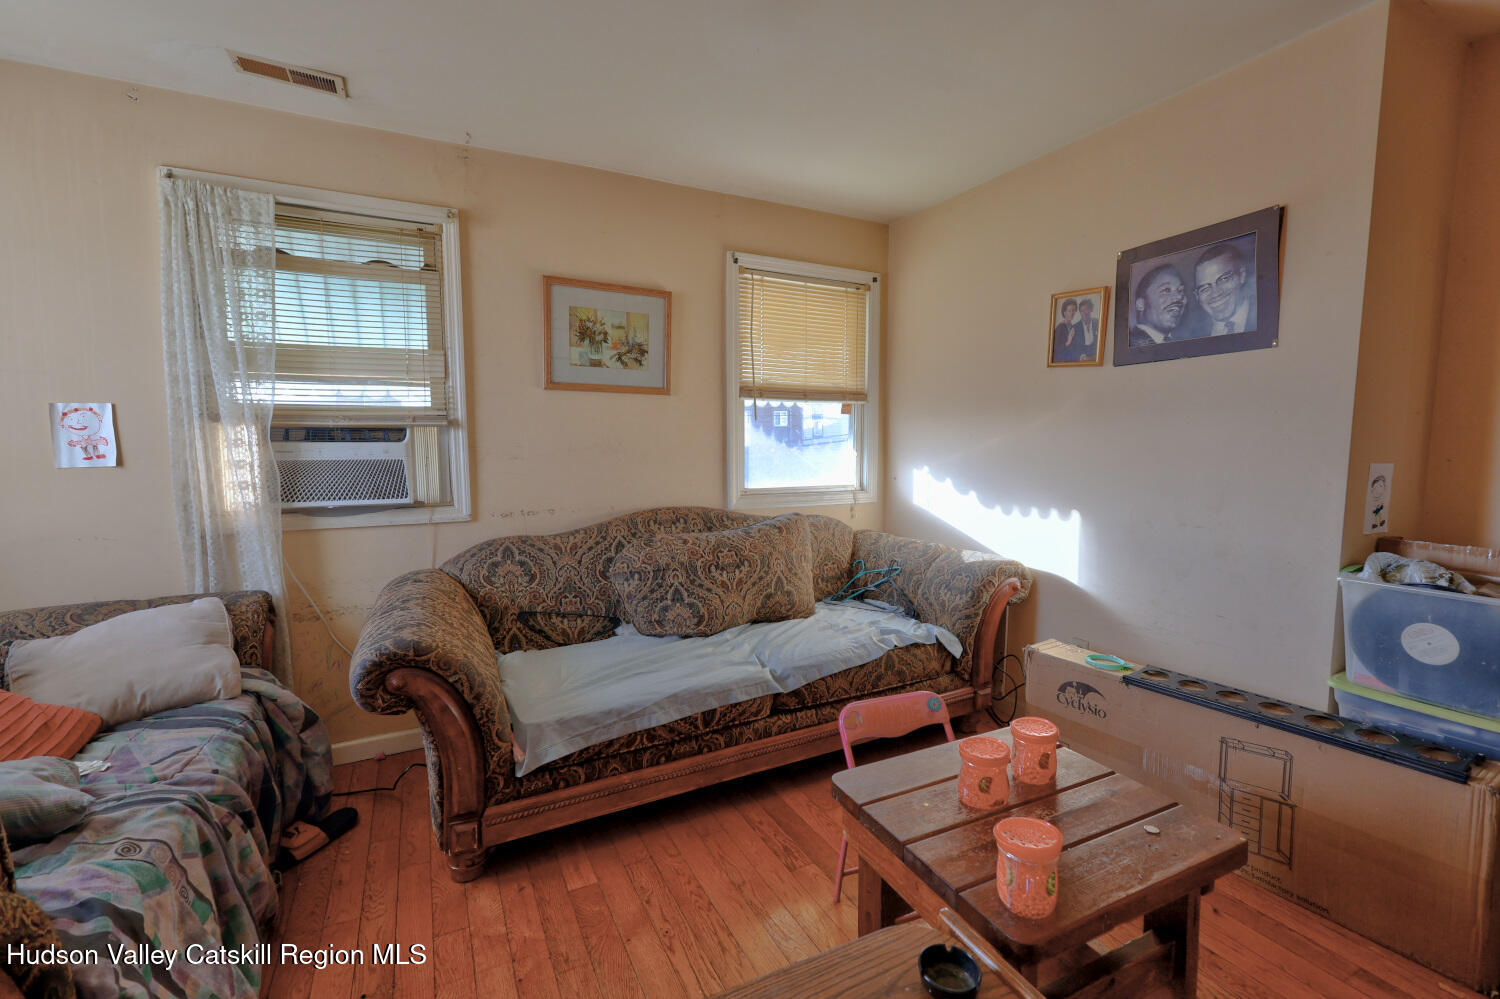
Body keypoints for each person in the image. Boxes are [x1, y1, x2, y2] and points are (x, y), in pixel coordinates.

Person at [1193, 242, 1255, 336]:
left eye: (1224, 279)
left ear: (1242, 275)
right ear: (1197, 296)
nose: (1215, 293)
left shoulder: (1266, 315)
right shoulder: (1194, 335)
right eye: (1204, 288)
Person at [1129, 265, 1190, 346]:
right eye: (1166, 290)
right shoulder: (1132, 343)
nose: (1179, 297)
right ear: (1141, 304)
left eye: (1181, 290)